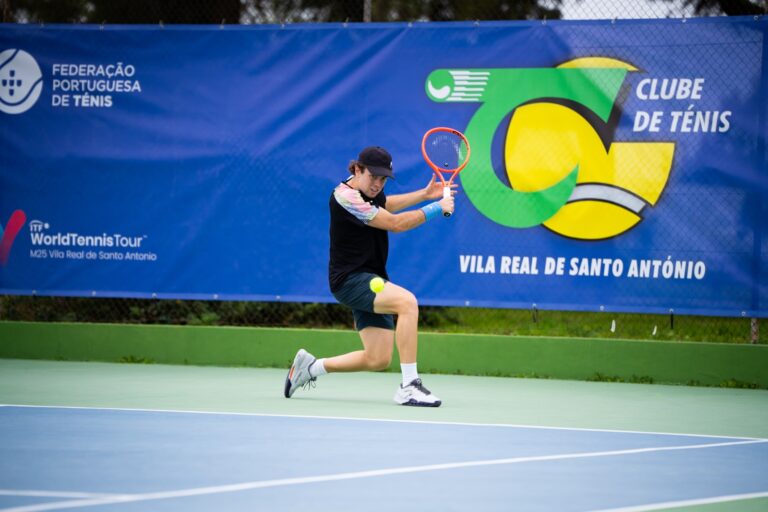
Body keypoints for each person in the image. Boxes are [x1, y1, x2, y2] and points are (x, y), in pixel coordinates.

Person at [284, 145, 455, 406]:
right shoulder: (345, 197)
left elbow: (386, 204)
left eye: (383, 178)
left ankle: (310, 368)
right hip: (351, 280)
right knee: (407, 303)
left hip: (370, 276)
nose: (378, 184)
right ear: (356, 170)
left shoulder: (369, 191)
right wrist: (435, 207)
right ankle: (409, 386)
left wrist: (423, 194)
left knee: (378, 358)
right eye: (373, 177)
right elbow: (394, 223)